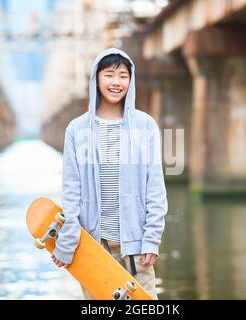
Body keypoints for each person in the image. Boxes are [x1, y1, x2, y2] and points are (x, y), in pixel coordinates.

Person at [51, 48, 168, 300]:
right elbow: (71, 191)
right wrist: (67, 243)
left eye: (123, 76)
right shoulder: (77, 129)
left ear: (131, 80)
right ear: (96, 79)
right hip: (94, 248)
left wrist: (151, 240)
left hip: (136, 248)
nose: (116, 82)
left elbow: (155, 189)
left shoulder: (145, 126)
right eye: (109, 75)